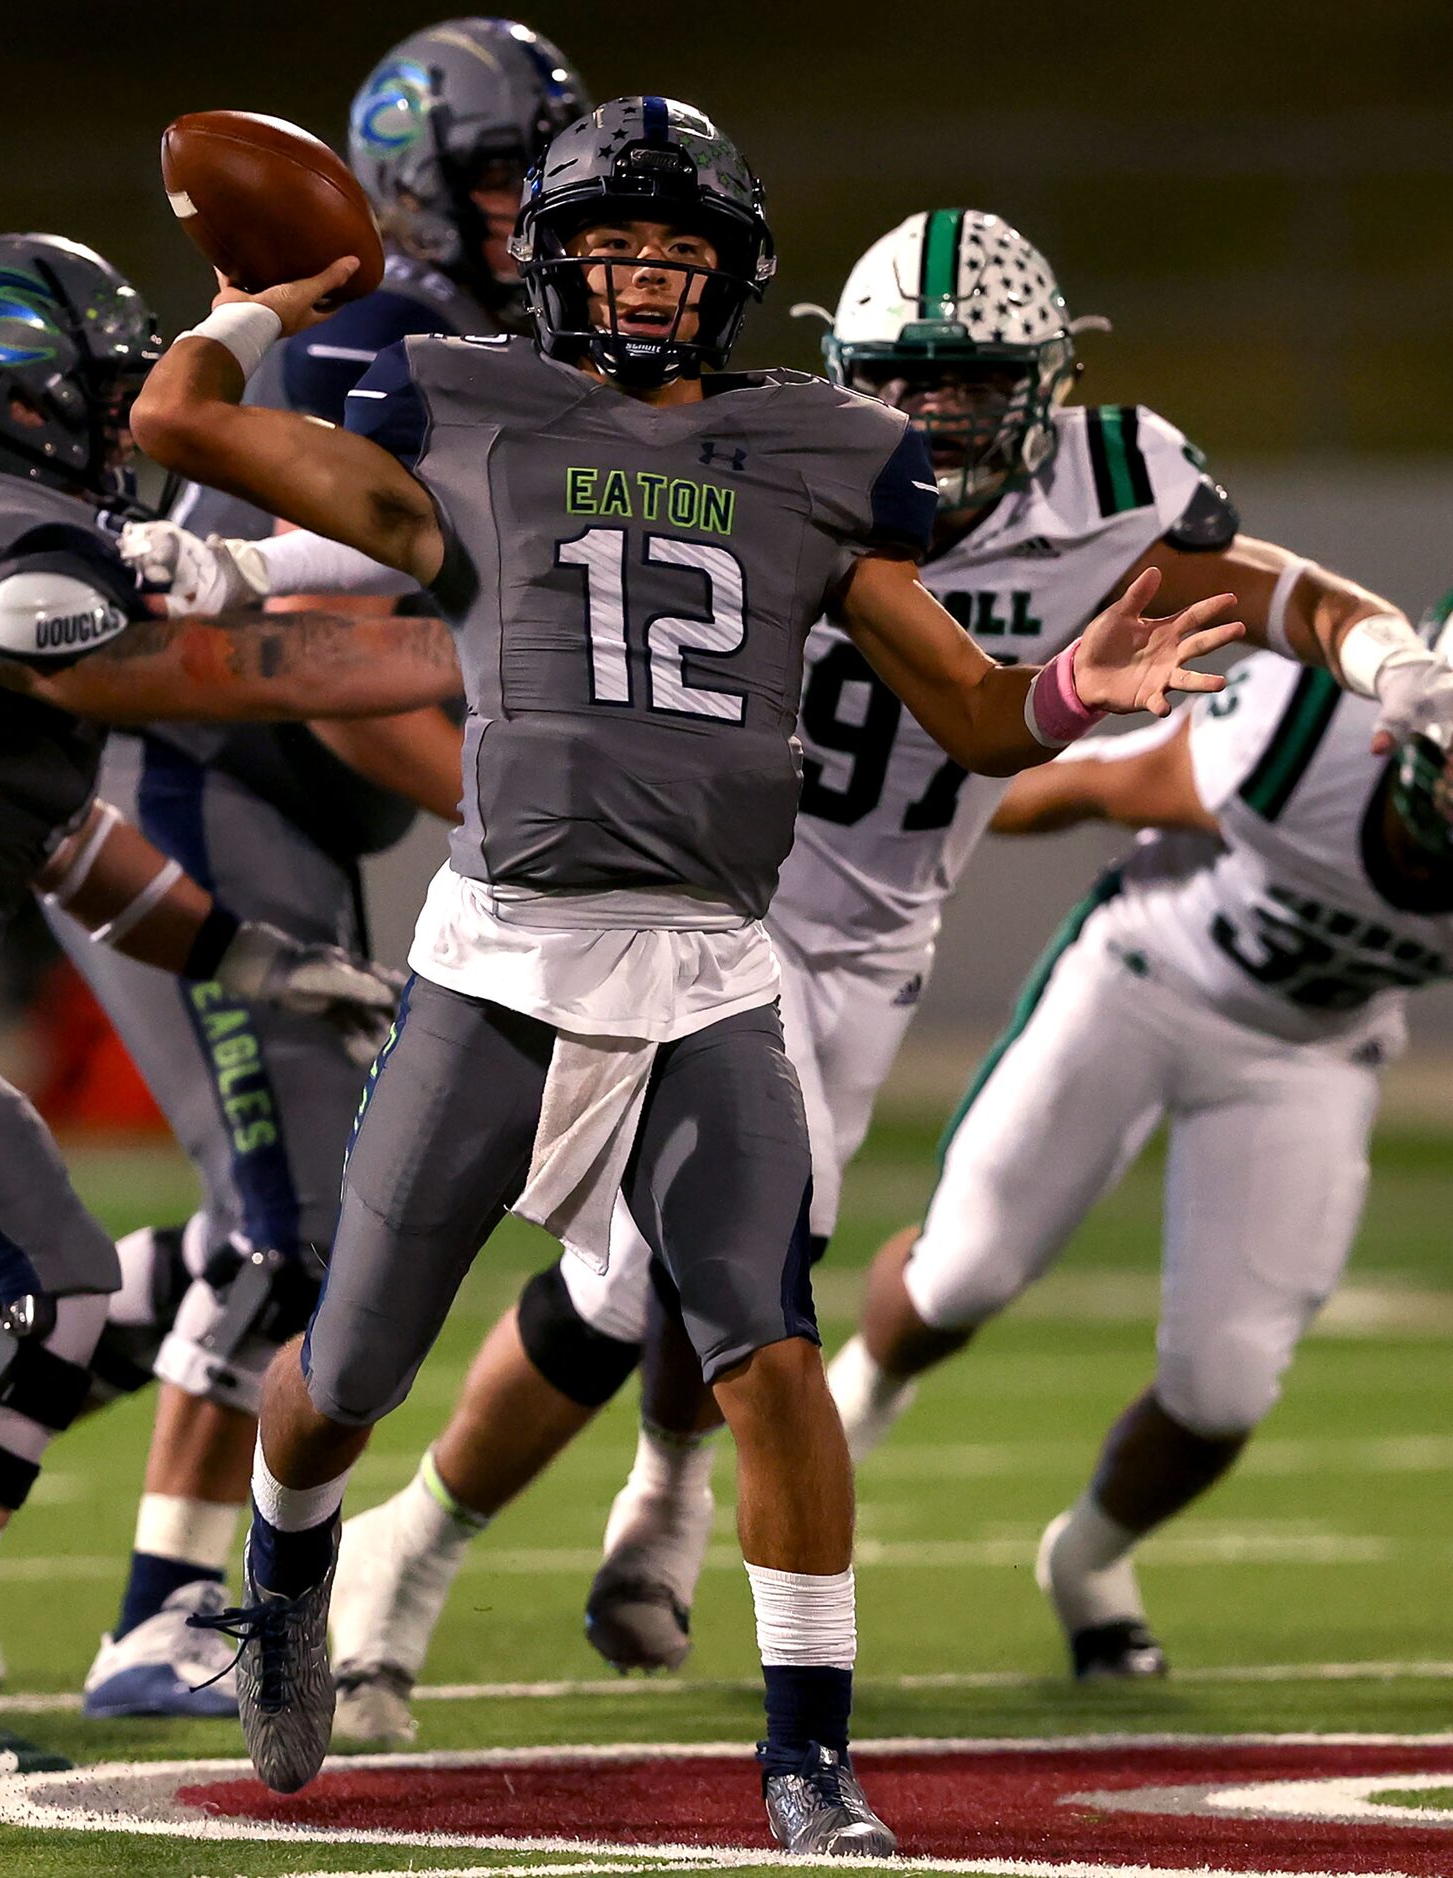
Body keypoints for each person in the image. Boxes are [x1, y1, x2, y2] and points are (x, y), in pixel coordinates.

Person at [134, 107, 1241, 1849]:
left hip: (716, 961)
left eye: (677, 254)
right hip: (503, 948)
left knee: (767, 1343)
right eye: (612, 249)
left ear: (727, 281)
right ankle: (282, 1571)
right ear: (552, 264)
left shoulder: (812, 448)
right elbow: (177, 421)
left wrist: (1067, 693)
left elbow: (964, 709)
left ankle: (805, 1751)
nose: (644, 280)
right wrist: (262, 296)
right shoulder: (472, 407)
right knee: (348, 1356)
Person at [320, 208, 1430, 1733]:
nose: (930, 416)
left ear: (1041, 385)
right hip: (703, 898)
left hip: (869, 946)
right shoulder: (776, 449)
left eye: (968, 385)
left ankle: (644, 1486)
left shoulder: (1117, 489)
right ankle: (427, 1551)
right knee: (647, 1269)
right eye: (903, 382)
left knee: (743, 1271)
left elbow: (1275, 592)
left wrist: (1390, 665)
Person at [0, 18, 592, 1721]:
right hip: (198, 776)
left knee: (294, 1221)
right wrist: (508, 805)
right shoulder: (381, 336)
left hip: (275, 811)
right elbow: (320, 638)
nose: (531, 204)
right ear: (406, 181)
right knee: (301, 1220)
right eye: (498, 174)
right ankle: (162, 1608)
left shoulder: (478, 344)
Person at [0, 230, 459, 1776]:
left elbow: (61, 840)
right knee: (42, 1271)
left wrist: (261, 961)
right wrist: (464, 653)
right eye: (102, 394)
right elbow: (169, 671)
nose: (124, 427)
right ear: (10, 396)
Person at [841, 620, 1453, 1678]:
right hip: (1147, 973)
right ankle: (849, 1404)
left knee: (1223, 1390)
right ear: (1402, 738)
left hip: (1312, 1050)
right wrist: (886, 839)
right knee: (964, 1272)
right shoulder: (1296, 738)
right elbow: (1087, 788)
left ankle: (1086, 1563)